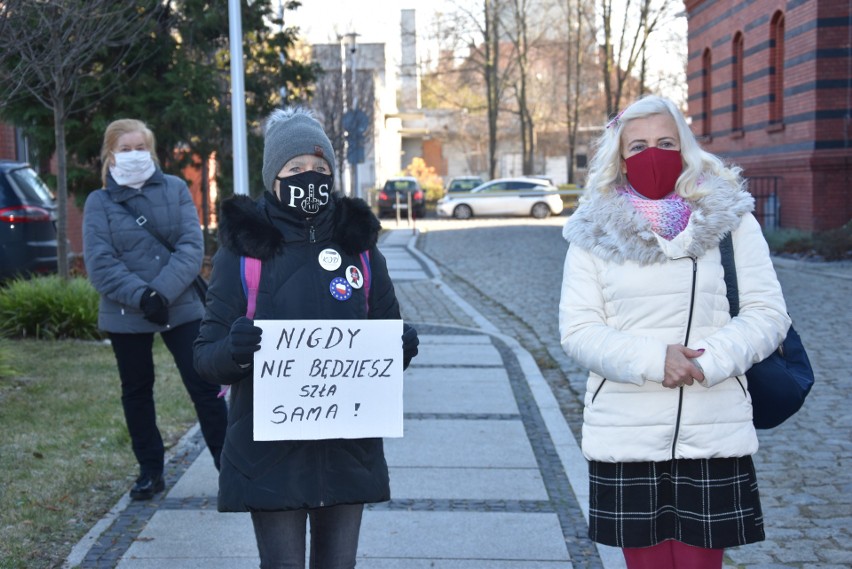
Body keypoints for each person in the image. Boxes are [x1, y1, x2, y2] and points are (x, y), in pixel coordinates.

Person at [558, 95, 791, 569]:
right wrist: (653, 359)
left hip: (712, 425)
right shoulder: (592, 231)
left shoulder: (731, 219)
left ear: (685, 147)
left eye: (665, 142)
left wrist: (707, 360)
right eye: (638, 145)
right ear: (620, 158)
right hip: (627, 431)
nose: (653, 155)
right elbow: (579, 330)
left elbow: (768, 313)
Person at [193, 107, 419, 569]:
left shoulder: (360, 246)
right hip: (270, 454)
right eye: (296, 169)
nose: (309, 178)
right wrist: (235, 352)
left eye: (319, 169)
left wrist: (400, 348)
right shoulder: (244, 251)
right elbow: (206, 356)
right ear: (273, 176)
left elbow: (383, 333)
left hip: (346, 449)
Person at [83, 119, 228, 501]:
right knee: (137, 391)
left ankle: (231, 468)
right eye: (125, 149)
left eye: (140, 147)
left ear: (152, 150)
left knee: (205, 385)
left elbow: (189, 246)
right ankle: (150, 471)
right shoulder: (99, 202)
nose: (134, 155)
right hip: (126, 311)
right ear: (110, 154)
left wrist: (160, 292)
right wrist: (141, 296)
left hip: (180, 304)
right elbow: (100, 262)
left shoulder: (176, 188)